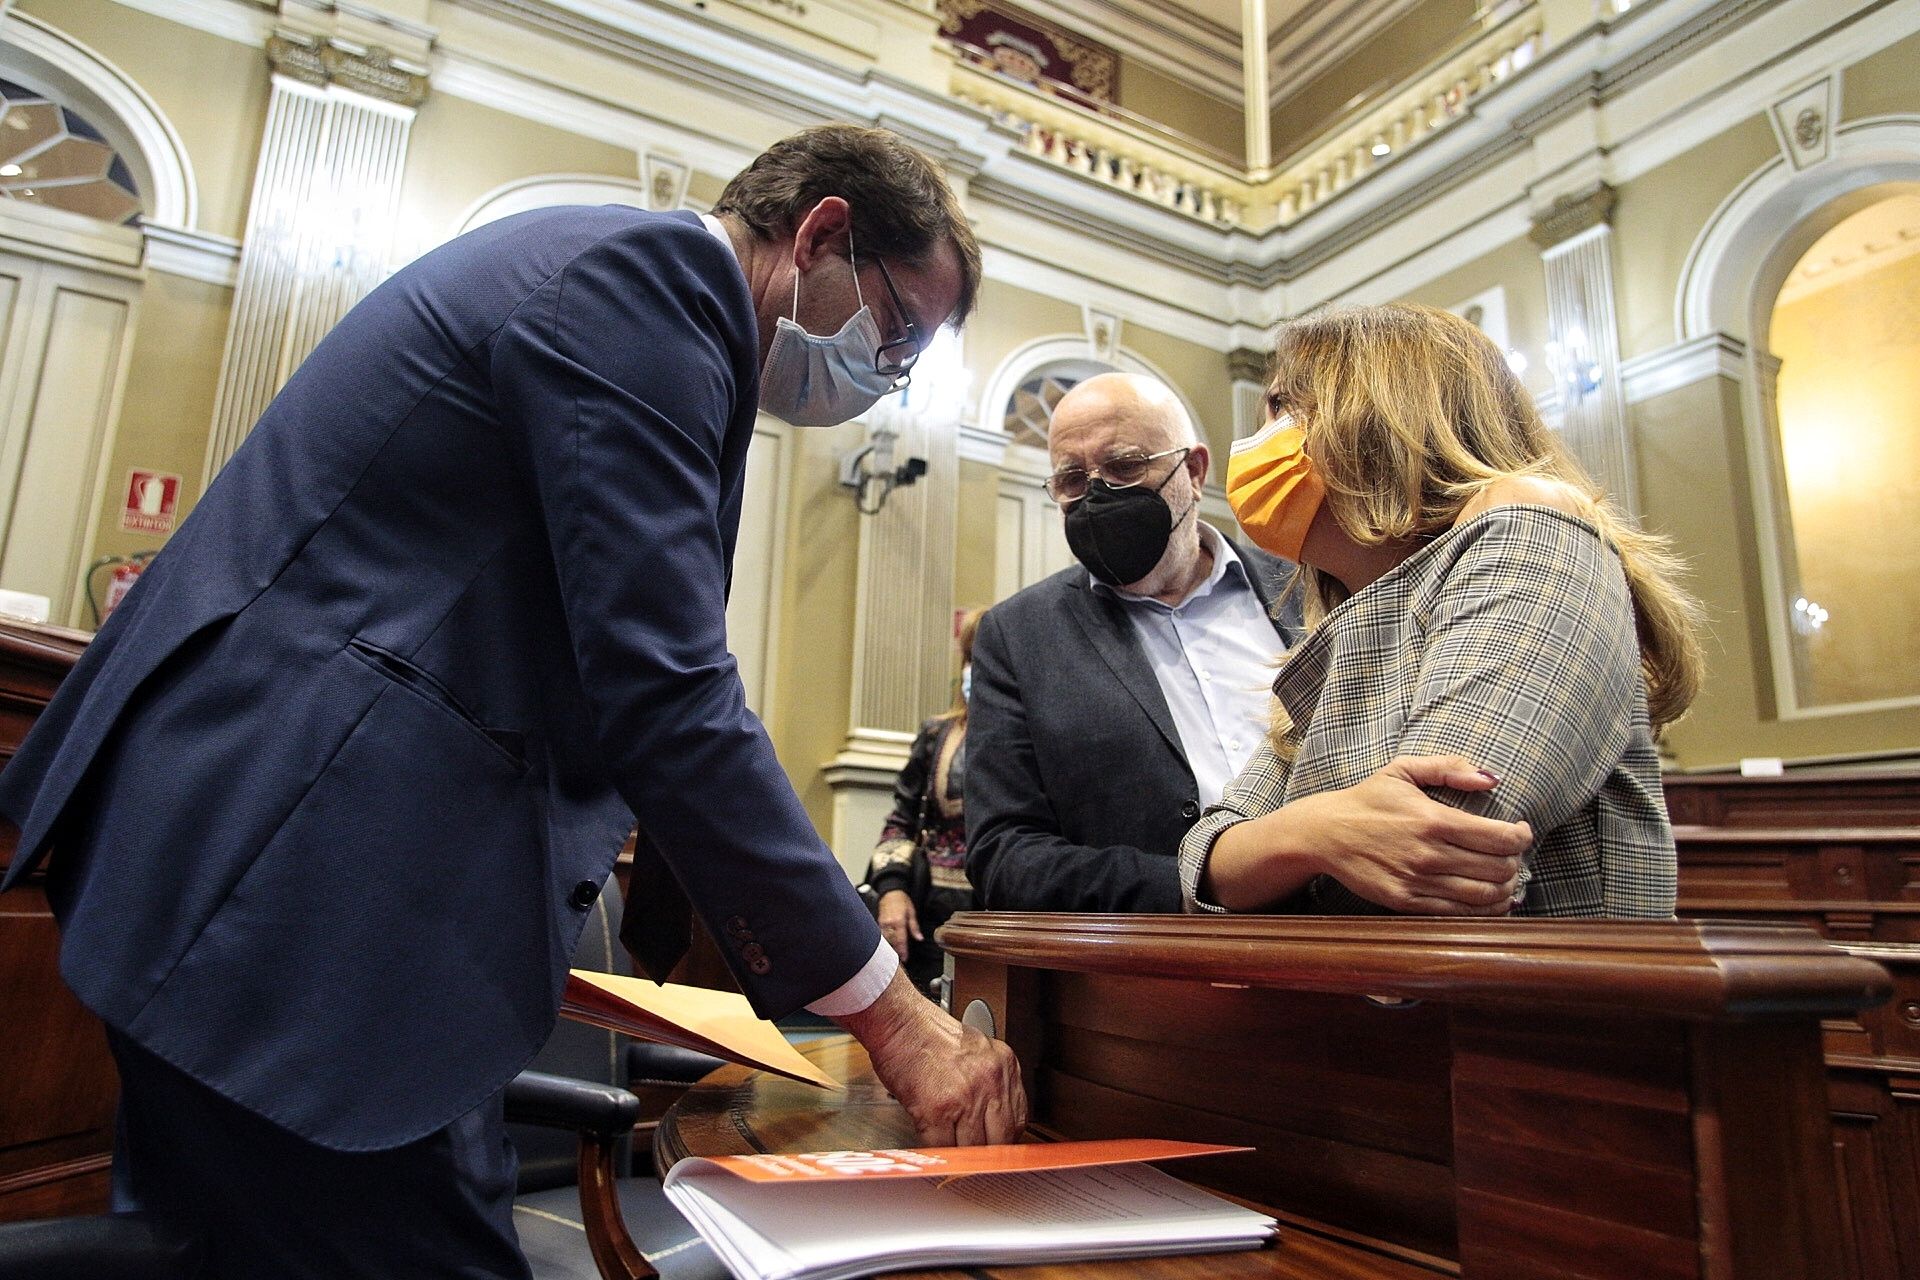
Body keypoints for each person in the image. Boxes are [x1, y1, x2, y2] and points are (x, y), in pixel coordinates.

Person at [0, 124, 1023, 1279]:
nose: (885, 380)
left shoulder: (629, 293)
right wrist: (894, 1016)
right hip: (293, 897)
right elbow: (667, 691)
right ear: (821, 234)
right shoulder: (649, 289)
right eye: (895, 333)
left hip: (259, 878)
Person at [1182, 302, 1704, 919]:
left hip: (1545, 1005)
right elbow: (1201, 865)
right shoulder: (1353, 624)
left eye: (1284, 408)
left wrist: (1281, 848)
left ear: (1387, 414)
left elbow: (1437, 842)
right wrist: (1318, 833)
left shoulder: (1535, 536)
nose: (1256, 443)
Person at [965, 372, 1526, 913]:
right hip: (1153, 967)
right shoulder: (1020, 634)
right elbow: (1004, 858)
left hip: (1353, 936)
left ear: (1194, 469)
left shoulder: (1312, 585)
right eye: (1070, 479)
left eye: (1125, 466)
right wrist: (1206, 882)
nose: (1096, 494)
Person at [864, 609, 983, 995]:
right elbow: (900, 822)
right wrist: (892, 891)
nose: (974, 669)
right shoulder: (937, 734)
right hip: (932, 919)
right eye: (970, 658)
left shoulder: (1041, 735)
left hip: (1007, 919)